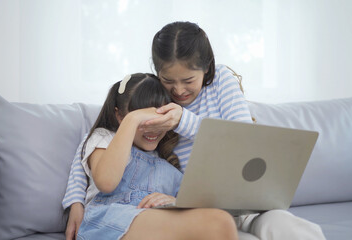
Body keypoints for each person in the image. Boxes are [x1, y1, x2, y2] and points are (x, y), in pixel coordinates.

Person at [63, 21, 325, 239]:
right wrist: (75, 201)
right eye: (168, 81)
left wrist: (182, 121)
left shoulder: (219, 82)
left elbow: (244, 141)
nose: (178, 91)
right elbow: (97, 142)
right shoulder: (155, 102)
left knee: (283, 225)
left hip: (239, 200)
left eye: (188, 80)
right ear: (158, 74)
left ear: (207, 68)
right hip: (191, 205)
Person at [76, 73, 239, 240]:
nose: (153, 128)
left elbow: (191, 201)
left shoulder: (168, 156)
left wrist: (173, 202)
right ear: (120, 116)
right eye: (144, 119)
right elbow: (106, 182)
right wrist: (132, 119)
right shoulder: (104, 138)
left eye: (158, 118)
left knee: (220, 221)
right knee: (219, 223)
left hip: (152, 217)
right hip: (109, 220)